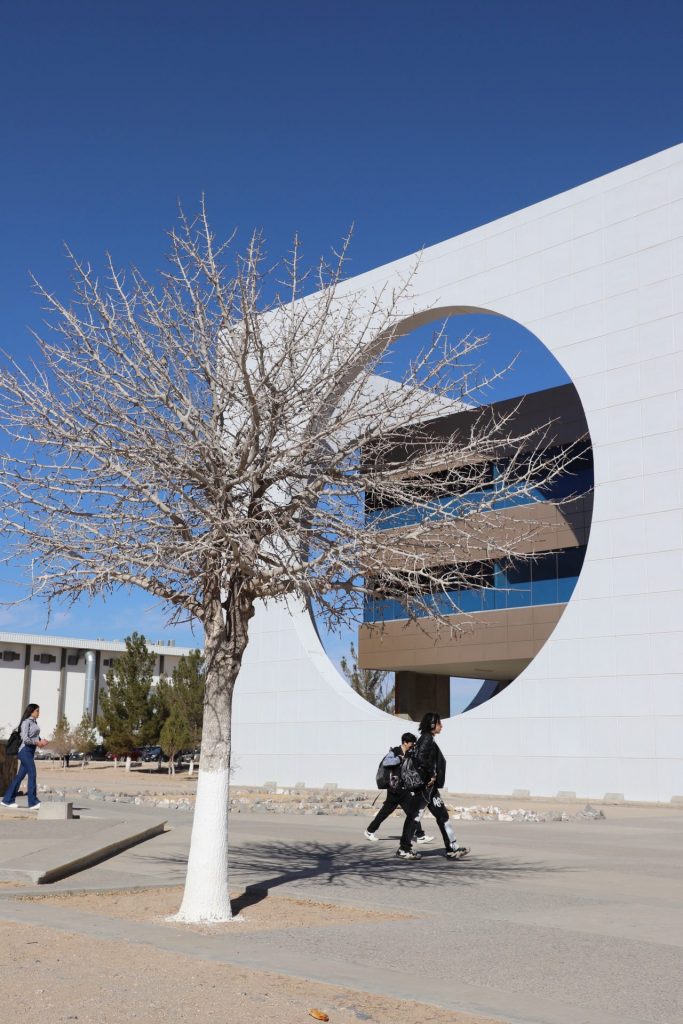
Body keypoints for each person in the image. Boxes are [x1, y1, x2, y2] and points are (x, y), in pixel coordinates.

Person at [396, 711, 471, 862]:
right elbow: (420, 759)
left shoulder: (427, 738)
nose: (441, 726)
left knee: (442, 816)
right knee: (415, 816)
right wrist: (431, 775)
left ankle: (452, 848)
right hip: (425, 787)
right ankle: (404, 849)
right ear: (432, 725)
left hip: (430, 788)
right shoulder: (426, 738)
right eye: (439, 723)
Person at [364, 732, 434, 844]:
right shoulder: (395, 751)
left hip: (404, 788)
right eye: (411, 743)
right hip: (394, 789)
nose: (413, 745)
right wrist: (399, 759)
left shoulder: (410, 753)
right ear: (405, 742)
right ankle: (369, 831)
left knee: (412, 812)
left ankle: (420, 835)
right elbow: (386, 762)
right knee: (386, 812)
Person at [1, 703, 49, 810]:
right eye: (37, 711)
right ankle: (33, 802)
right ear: (31, 711)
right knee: (32, 774)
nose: (39, 713)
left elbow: (34, 737)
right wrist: (37, 742)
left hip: (30, 752)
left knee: (19, 776)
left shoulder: (34, 722)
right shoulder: (26, 722)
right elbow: (25, 739)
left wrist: (41, 742)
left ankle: (7, 800)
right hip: (24, 751)